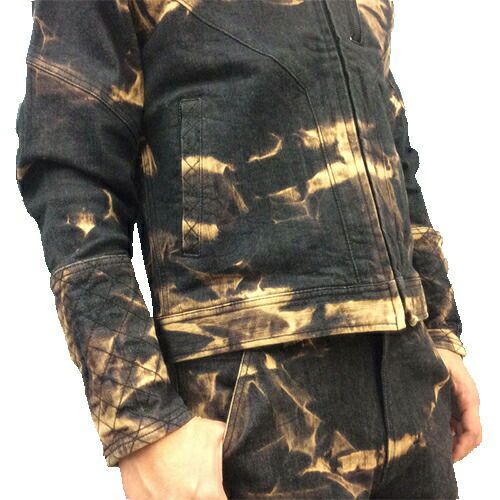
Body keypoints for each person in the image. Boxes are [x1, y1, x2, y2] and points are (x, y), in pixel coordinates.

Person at [15, 1, 481, 498]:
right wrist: (140, 418)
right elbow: (72, 176)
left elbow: (391, 154)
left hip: (411, 383)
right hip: (249, 403)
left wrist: (439, 331)